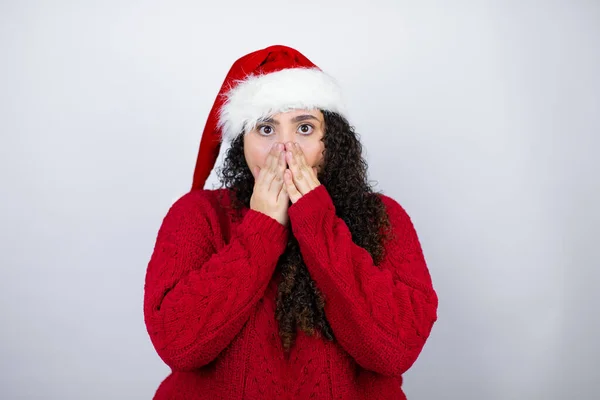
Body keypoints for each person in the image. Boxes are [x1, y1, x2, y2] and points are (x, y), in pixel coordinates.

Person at [143, 44, 438, 400]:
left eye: (304, 128)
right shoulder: (197, 214)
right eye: (266, 129)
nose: (285, 150)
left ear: (332, 142)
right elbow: (177, 346)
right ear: (242, 143)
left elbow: (395, 351)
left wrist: (317, 223)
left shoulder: (382, 217)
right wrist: (261, 228)